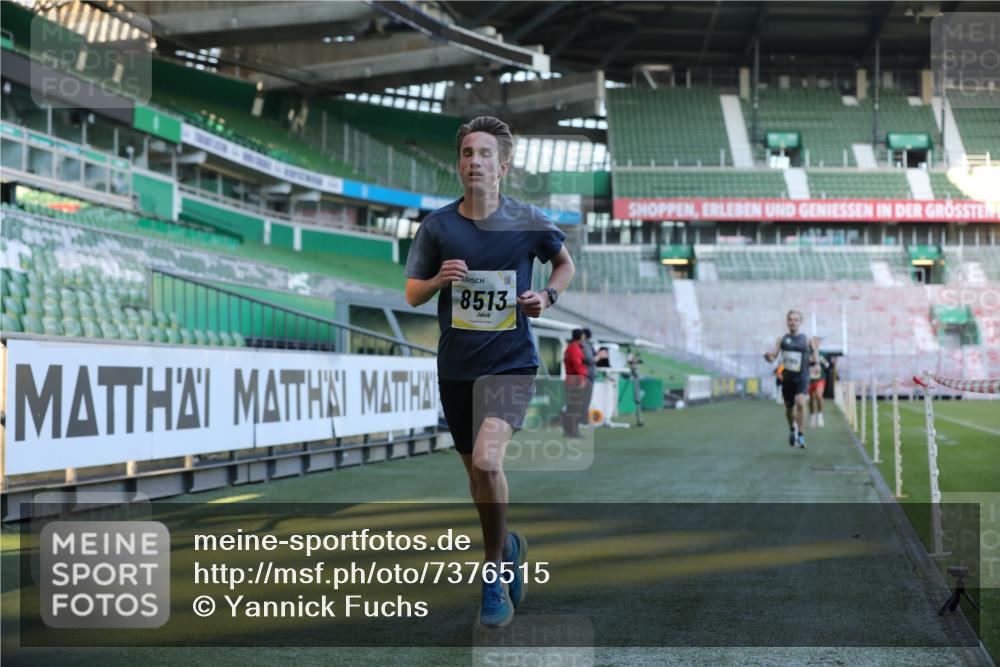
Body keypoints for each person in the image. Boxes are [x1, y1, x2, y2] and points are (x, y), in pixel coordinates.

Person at [404, 116, 575, 628]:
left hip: (511, 365)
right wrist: (438, 279)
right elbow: (412, 291)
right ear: (459, 163)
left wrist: (547, 295)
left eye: (483, 154)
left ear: (503, 165)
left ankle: (493, 574)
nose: (473, 161)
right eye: (466, 153)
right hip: (457, 369)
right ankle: (508, 547)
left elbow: (563, 264)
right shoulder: (437, 227)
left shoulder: (528, 220)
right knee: (477, 480)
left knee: (487, 459)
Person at [763, 310, 818, 448]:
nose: (792, 322)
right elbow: (773, 358)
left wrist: (814, 357)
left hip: (802, 378)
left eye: (795, 320)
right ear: (787, 321)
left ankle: (801, 434)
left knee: (801, 402)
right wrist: (767, 357)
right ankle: (792, 429)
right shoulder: (782, 339)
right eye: (790, 319)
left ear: (800, 322)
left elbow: (815, 360)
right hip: (787, 380)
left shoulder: (806, 339)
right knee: (789, 409)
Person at [563, 329, 587, 437]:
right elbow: (577, 366)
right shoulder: (575, 349)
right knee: (576, 407)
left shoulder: (569, 347)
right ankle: (573, 431)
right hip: (575, 381)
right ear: (581, 337)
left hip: (570, 380)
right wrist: (581, 380)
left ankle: (568, 430)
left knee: (571, 406)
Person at [807, 337, 830, 428]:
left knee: (819, 395)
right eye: (813, 342)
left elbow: (828, 365)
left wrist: (823, 361)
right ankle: (812, 416)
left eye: (816, 342)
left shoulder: (823, 354)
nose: (815, 344)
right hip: (810, 378)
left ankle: (820, 416)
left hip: (820, 378)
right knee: (811, 398)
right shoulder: (807, 353)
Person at [580, 328, 597, 427]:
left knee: (585, 398)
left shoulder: (587, 345)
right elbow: (590, 360)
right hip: (586, 375)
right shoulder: (585, 345)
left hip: (588, 375)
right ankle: (583, 419)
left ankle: (583, 419)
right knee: (585, 398)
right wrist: (599, 356)